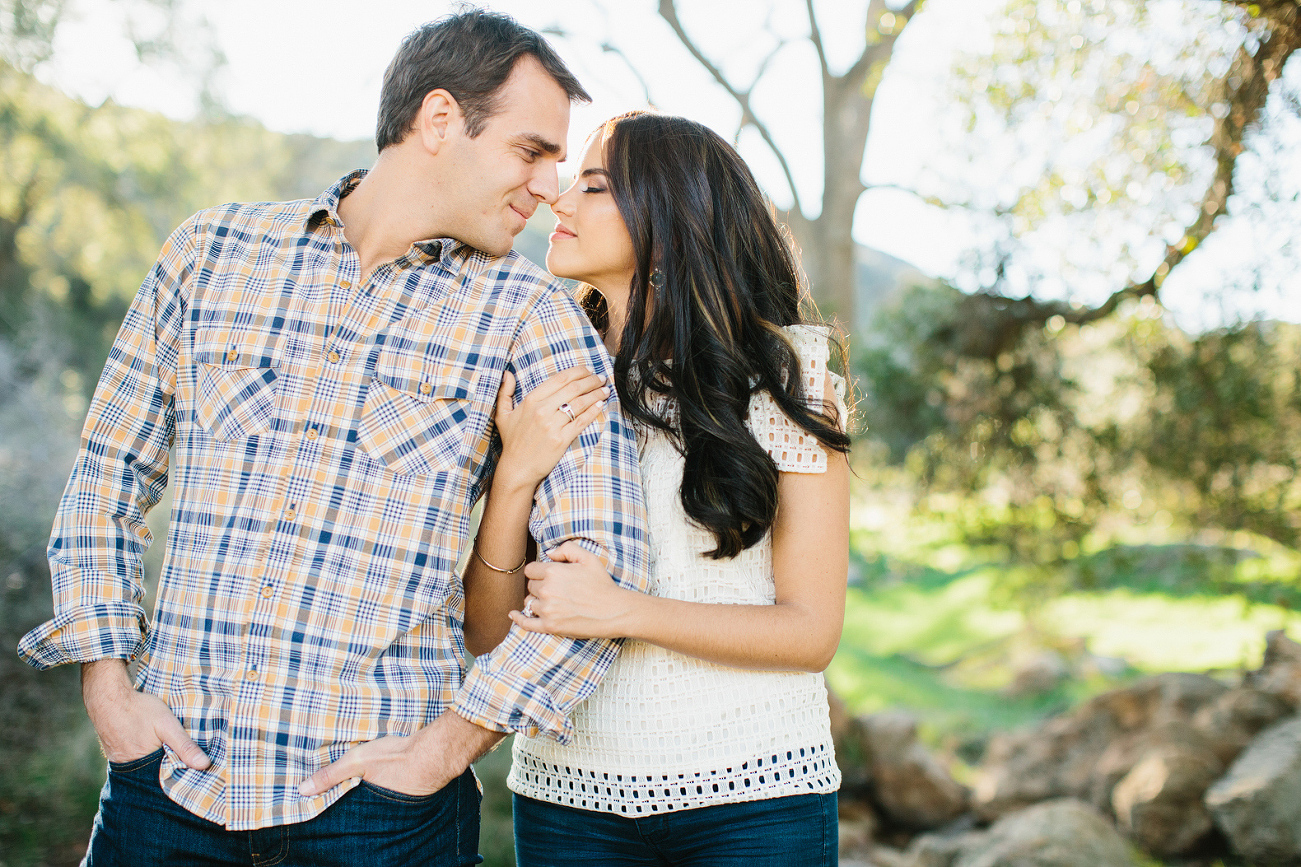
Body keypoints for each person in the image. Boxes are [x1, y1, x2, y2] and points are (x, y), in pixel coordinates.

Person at [16, 10, 649, 866]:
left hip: (382, 820)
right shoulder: (211, 253)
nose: (548, 187)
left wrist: (450, 745)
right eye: (530, 152)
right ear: (436, 121)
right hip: (164, 787)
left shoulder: (530, 320)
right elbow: (106, 478)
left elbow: (600, 565)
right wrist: (108, 685)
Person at [467, 111, 852, 867]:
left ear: (671, 222)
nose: (559, 200)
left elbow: (811, 633)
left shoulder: (784, 383)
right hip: (568, 804)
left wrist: (625, 611)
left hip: (758, 801)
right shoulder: (541, 379)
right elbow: (487, 635)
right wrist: (514, 474)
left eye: (595, 185)